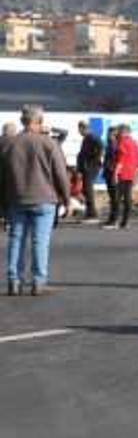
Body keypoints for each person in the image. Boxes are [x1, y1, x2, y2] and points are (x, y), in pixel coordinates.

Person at [2, 105, 70, 297]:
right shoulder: (49, 144)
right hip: (44, 199)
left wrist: (3, 202)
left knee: (16, 239)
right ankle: (38, 282)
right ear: (37, 121)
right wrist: (66, 199)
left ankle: (14, 281)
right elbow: (60, 174)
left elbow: (2, 176)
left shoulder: (9, 144)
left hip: (16, 198)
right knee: (40, 241)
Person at [104, 124, 138, 231]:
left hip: (122, 173)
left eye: (119, 132)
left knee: (117, 198)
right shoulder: (135, 143)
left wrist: (115, 173)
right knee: (127, 198)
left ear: (123, 132)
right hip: (131, 173)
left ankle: (114, 221)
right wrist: (137, 174)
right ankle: (125, 222)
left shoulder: (123, 142)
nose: (117, 134)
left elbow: (121, 158)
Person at [75, 121, 104, 223]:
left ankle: (92, 215)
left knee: (88, 190)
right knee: (85, 190)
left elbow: (100, 147)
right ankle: (89, 213)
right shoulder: (87, 138)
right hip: (87, 167)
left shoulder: (92, 137)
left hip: (91, 168)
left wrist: (93, 160)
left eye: (79, 129)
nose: (79, 132)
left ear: (84, 128)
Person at [101, 126, 120, 227]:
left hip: (112, 173)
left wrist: (113, 172)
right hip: (109, 172)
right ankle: (112, 218)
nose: (108, 136)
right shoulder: (110, 144)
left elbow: (115, 160)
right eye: (108, 133)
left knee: (114, 197)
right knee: (112, 197)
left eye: (111, 134)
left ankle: (114, 220)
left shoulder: (113, 145)